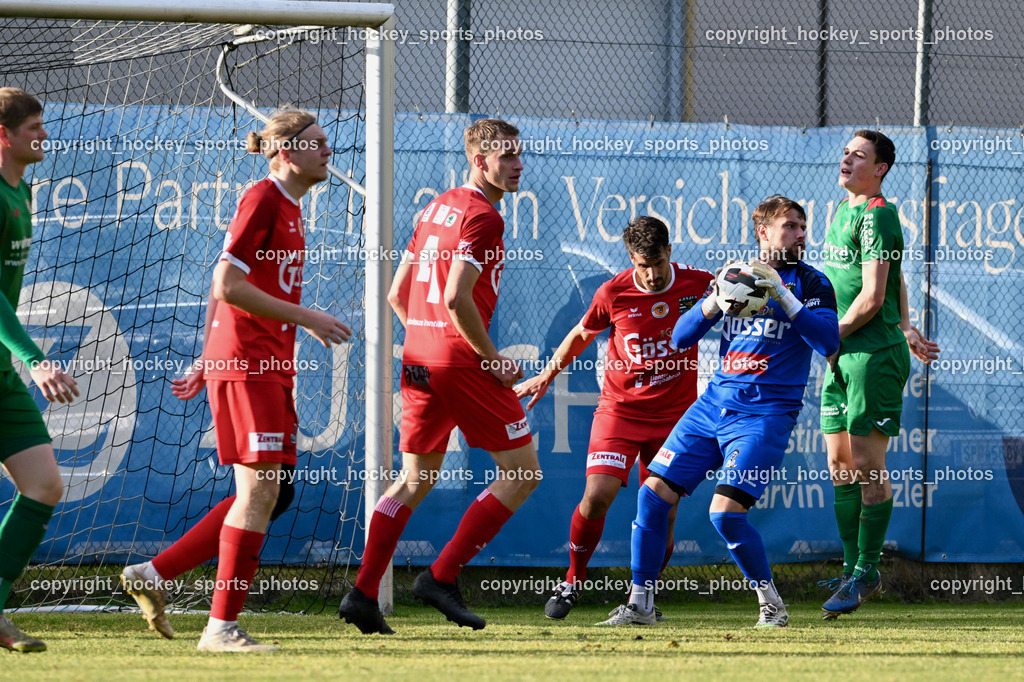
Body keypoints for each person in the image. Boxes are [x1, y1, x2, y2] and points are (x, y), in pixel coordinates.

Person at [122, 109, 351, 652]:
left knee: (277, 491)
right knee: (262, 491)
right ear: (287, 152)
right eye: (319, 143)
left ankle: (156, 574)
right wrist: (307, 316)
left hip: (260, 363)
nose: (329, 152)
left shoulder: (289, 206)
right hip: (249, 363)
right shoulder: (264, 198)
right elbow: (228, 283)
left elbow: (219, 280)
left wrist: (206, 355)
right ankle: (220, 628)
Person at [339, 118, 540, 635]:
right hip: (459, 361)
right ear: (480, 161)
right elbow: (455, 296)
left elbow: (397, 294)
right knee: (522, 474)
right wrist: (489, 358)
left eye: (520, 155)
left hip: (419, 356)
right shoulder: (485, 216)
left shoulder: (436, 206)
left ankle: (363, 594)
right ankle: (441, 575)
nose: (519, 165)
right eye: (508, 157)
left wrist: (428, 338)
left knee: (413, 479)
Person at [600, 195, 839, 628]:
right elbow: (680, 337)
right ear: (764, 232)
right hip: (712, 407)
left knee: (725, 514)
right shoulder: (732, 278)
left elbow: (828, 342)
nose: (801, 234)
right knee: (652, 495)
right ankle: (641, 606)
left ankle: (772, 606)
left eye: (803, 226)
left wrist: (782, 294)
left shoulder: (813, 283)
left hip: (765, 415)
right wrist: (714, 301)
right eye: (791, 226)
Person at [514, 216, 712, 620]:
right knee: (597, 495)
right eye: (643, 265)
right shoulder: (613, 292)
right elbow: (580, 335)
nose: (653, 274)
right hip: (620, 411)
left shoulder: (698, 285)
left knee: (663, 511)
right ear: (631, 259)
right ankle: (572, 581)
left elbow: (739, 308)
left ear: (669, 252)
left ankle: (644, 600)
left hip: (675, 419)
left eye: (658, 262)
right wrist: (548, 373)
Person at [820, 130, 940, 619]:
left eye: (859, 155)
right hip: (842, 354)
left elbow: (873, 297)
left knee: (868, 466)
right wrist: (908, 322)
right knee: (839, 465)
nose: (847, 159)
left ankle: (867, 570)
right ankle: (852, 569)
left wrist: (833, 335)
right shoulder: (841, 212)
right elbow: (898, 277)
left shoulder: (880, 214)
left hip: (870, 355)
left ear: (881, 168)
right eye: (846, 152)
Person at [0, 87, 79, 653]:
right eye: (33, 127)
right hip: (15, 362)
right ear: (3, 135)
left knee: (44, 485)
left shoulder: (22, 190)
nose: (43, 135)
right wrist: (36, 358)